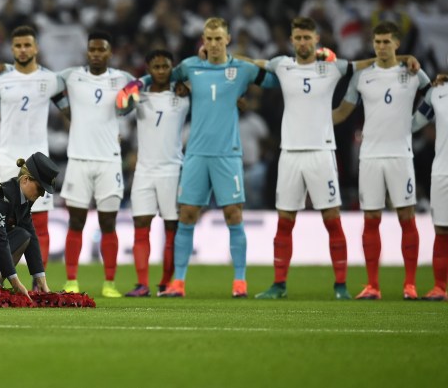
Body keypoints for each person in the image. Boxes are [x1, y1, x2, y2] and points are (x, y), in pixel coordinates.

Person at [247, 17, 382, 300]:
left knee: (332, 219)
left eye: (307, 37)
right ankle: (279, 285)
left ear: (317, 39)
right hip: (290, 154)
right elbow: (251, 63)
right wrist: (219, 56)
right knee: (285, 220)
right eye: (298, 38)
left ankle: (341, 286)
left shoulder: (331, 68)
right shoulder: (282, 64)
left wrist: (405, 58)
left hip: (322, 152)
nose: (303, 42)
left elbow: (367, 63)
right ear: (292, 40)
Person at [156, 17, 276, 299]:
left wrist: (241, 59)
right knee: (187, 216)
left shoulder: (241, 69)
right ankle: (179, 283)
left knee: (233, 215)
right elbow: (166, 79)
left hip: (227, 154)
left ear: (227, 39)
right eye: (208, 39)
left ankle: (240, 282)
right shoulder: (189, 66)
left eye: (217, 39)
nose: (212, 44)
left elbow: (271, 79)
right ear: (203, 40)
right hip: (197, 153)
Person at [333, 22, 431, 300]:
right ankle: (372, 286)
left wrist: (415, 124)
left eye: (387, 42)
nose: (381, 47)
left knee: (406, 218)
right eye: (377, 42)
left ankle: (410, 285)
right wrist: (315, 119)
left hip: (401, 155)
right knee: (371, 219)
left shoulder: (412, 73)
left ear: (397, 44)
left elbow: (435, 96)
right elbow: (343, 112)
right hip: (371, 157)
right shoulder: (362, 77)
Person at [0, 26, 69, 269]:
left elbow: (69, 113)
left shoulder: (51, 80)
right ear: (11, 49)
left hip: (38, 162)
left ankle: (39, 281)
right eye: (18, 45)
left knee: (38, 222)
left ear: (36, 47)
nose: (22, 49)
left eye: (27, 45)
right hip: (5, 158)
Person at [58, 32, 133, 297]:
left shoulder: (122, 78)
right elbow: (44, 80)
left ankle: (110, 283)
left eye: (102, 50)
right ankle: (71, 281)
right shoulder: (72, 75)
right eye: (92, 50)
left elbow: (139, 90)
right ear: (87, 52)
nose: (96, 54)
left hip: (109, 160)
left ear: (109, 52)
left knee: (108, 222)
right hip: (78, 158)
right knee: (75, 221)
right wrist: (67, 110)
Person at [122, 50, 189, 297]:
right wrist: (141, 82)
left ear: (172, 68)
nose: (161, 70)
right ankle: (142, 284)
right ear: (148, 68)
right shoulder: (140, 96)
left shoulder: (183, 97)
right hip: (144, 171)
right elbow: (120, 104)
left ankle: (165, 282)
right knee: (141, 224)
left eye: (165, 66)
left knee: (171, 227)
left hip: (172, 170)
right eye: (156, 66)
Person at [0, 153, 59, 297]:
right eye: (40, 188)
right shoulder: (3, 197)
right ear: (25, 180)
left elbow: (32, 237)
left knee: (24, 235)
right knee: (18, 239)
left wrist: (41, 280)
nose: (41, 195)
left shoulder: (23, 200)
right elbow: (0, 240)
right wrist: (15, 282)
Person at [411, 74, 448, 301]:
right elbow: (415, 122)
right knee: (442, 231)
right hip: (442, 171)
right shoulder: (437, 92)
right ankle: (439, 288)